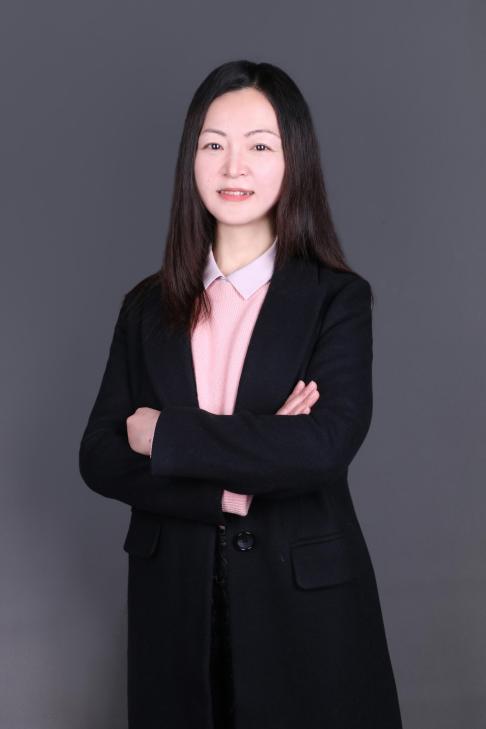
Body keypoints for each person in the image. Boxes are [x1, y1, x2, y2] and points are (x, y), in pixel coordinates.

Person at [79, 59, 403, 729]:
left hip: (304, 607)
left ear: (294, 160)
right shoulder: (145, 306)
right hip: (175, 605)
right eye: (213, 144)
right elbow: (101, 457)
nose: (233, 167)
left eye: (259, 146)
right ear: (190, 160)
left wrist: (167, 436)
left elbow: (322, 447)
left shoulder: (337, 299)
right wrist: (239, 476)